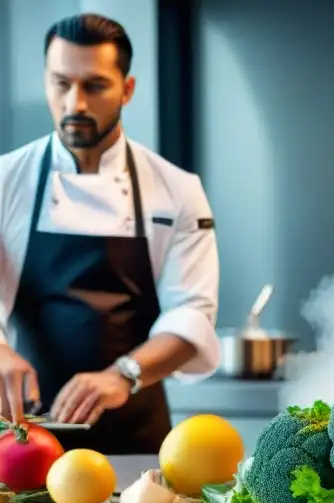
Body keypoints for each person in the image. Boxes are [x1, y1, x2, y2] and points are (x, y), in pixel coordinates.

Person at [0, 13, 220, 454]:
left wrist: (124, 374)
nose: (74, 103)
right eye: (60, 83)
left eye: (94, 85)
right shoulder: (6, 181)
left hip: (138, 440)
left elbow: (192, 314)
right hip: (26, 439)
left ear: (127, 89)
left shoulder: (176, 189)